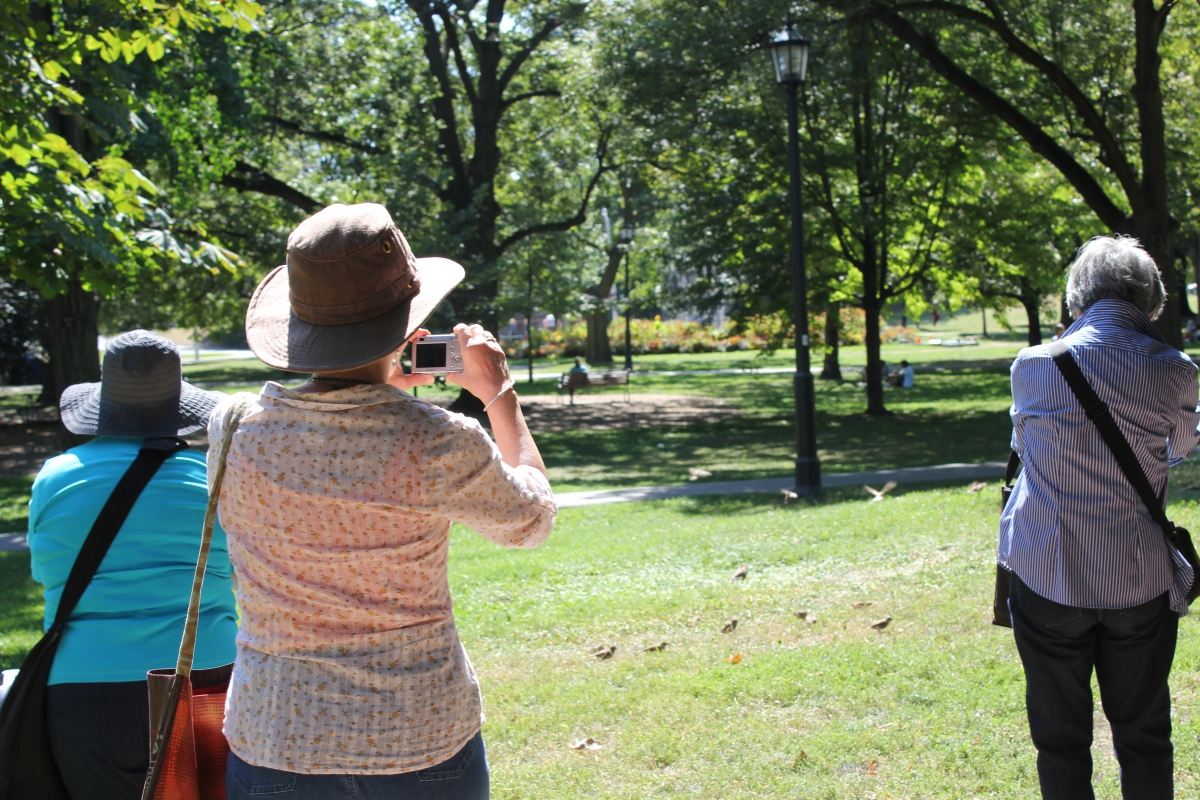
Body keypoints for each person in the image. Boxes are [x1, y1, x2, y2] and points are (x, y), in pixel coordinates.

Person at [218, 203, 556, 800]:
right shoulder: (437, 440)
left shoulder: (235, 430)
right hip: (418, 739)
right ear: (406, 325)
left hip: (277, 737)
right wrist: (498, 393)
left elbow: (332, 429)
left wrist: (377, 381)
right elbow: (530, 520)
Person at [999, 235, 1200, 799]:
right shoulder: (1176, 369)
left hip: (1047, 572)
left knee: (1059, 741)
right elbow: (1177, 449)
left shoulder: (1033, 365)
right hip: (1137, 577)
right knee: (1144, 734)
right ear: (1152, 300)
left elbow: (1026, 443)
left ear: (1075, 297)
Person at [27, 330, 236, 800]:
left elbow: (46, 574)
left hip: (81, 684)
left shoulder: (55, 476)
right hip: (205, 677)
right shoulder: (215, 478)